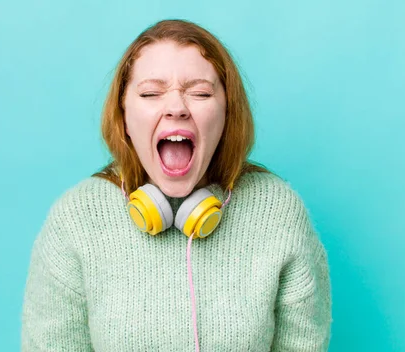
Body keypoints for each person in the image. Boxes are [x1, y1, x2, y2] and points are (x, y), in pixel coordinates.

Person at [21, 19, 332, 351]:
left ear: (227, 113)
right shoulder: (75, 220)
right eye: (151, 93)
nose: (176, 108)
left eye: (199, 92)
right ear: (123, 115)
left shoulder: (278, 213)